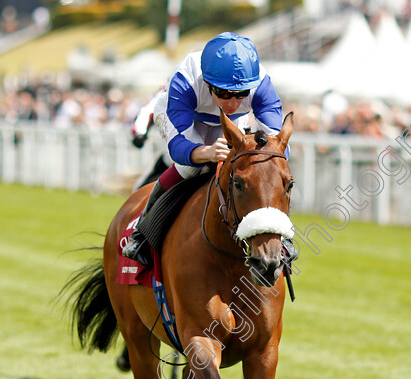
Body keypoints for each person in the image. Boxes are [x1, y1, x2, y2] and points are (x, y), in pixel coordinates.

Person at [121, 32, 298, 266]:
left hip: (228, 121)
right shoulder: (185, 79)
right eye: (224, 94)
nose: (233, 103)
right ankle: (142, 233)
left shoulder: (261, 83)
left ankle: (280, 236)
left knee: (264, 172)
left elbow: (278, 144)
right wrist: (206, 152)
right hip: (186, 119)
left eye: (241, 94)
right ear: (207, 83)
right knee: (190, 169)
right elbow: (178, 147)